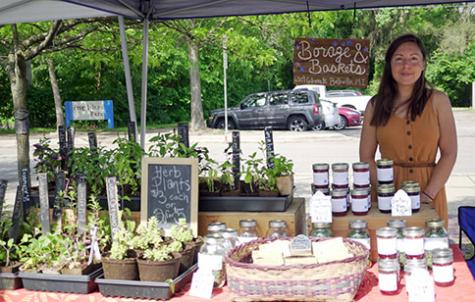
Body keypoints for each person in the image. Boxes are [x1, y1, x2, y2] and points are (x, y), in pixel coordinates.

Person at [359, 34, 457, 226]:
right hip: (387, 191)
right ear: (389, 65)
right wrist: (386, 193)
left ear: (423, 64)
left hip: (430, 189)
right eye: (399, 59)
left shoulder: (439, 101)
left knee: (430, 250)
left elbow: (449, 153)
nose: (406, 65)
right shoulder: (375, 105)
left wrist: (427, 195)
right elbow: (366, 157)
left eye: (414, 58)